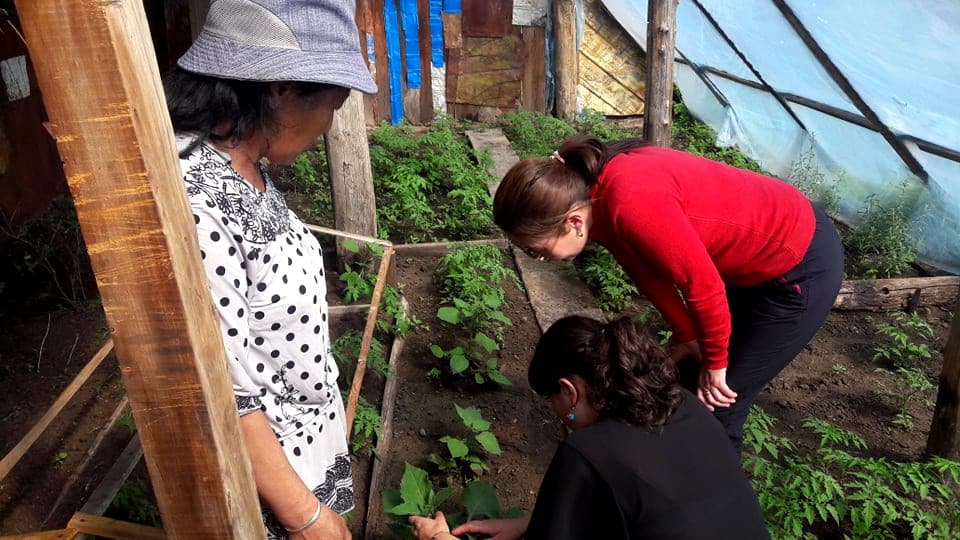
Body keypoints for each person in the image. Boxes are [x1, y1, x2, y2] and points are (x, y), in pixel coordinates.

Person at [163, 0, 377, 537]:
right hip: (270, 488)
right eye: (334, 102)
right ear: (281, 88)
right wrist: (304, 517)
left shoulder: (239, 161)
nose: (331, 122)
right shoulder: (197, 198)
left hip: (302, 448)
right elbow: (223, 387)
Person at [491, 136, 844, 455]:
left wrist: (718, 363)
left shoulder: (630, 200)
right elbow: (646, 271)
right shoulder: (595, 198)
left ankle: (712, 515)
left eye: (537, 250)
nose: (542, 259)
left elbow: (703, 287)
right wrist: (687, 335)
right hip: (751, 262)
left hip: (799, 262)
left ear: (572, 222)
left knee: (720, 402)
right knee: (687, 376)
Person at [409, 316, 770, 540]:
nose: (556, 413)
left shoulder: (589, 452)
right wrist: (532, 526)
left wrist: (439, 539)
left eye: (552, 400)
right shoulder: (682, 404)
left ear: (569, 391)